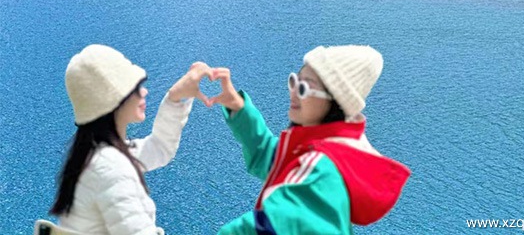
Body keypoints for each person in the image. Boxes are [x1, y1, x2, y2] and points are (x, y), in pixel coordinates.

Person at [206, 45, 411, 234]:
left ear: (335, 101)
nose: (293, 93)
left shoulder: (321, 168)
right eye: (294, 81)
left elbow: (271, 225)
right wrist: (238, 107)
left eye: (303, 88)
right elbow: (274, 160)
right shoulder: (329, 149)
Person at [49, 44, 211, 235]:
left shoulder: (97, 154)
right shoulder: (111, 168)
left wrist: (175, 98)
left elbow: (159, 148)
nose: (144, 92)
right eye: (134, 88)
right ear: (112, 100)